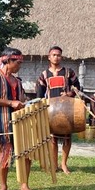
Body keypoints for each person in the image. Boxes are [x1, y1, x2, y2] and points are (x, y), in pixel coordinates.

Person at [0, 47, 38, 190]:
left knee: (26, 155)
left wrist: (27, 103)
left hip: (20, 123)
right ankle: (3, 187)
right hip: (2, 123)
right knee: (4, 155)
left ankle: (24, 187)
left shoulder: (18, 81)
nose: (20, 65)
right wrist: (10, 102)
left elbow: (20, 100)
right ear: (8, 61)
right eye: (18, 62)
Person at [36, 46, 80, 174]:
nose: (56, 57)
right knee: (52, 139)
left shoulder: (68, 72)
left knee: (67, 138)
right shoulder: (44, 75)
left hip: (66, 110)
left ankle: (64, 164)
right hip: (51, 111)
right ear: (49, 57)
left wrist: (69, 94)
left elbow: (77, 88)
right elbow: (40, 94)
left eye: (59, 55)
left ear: (62, 57)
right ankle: (54, 164)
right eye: (54, 55)